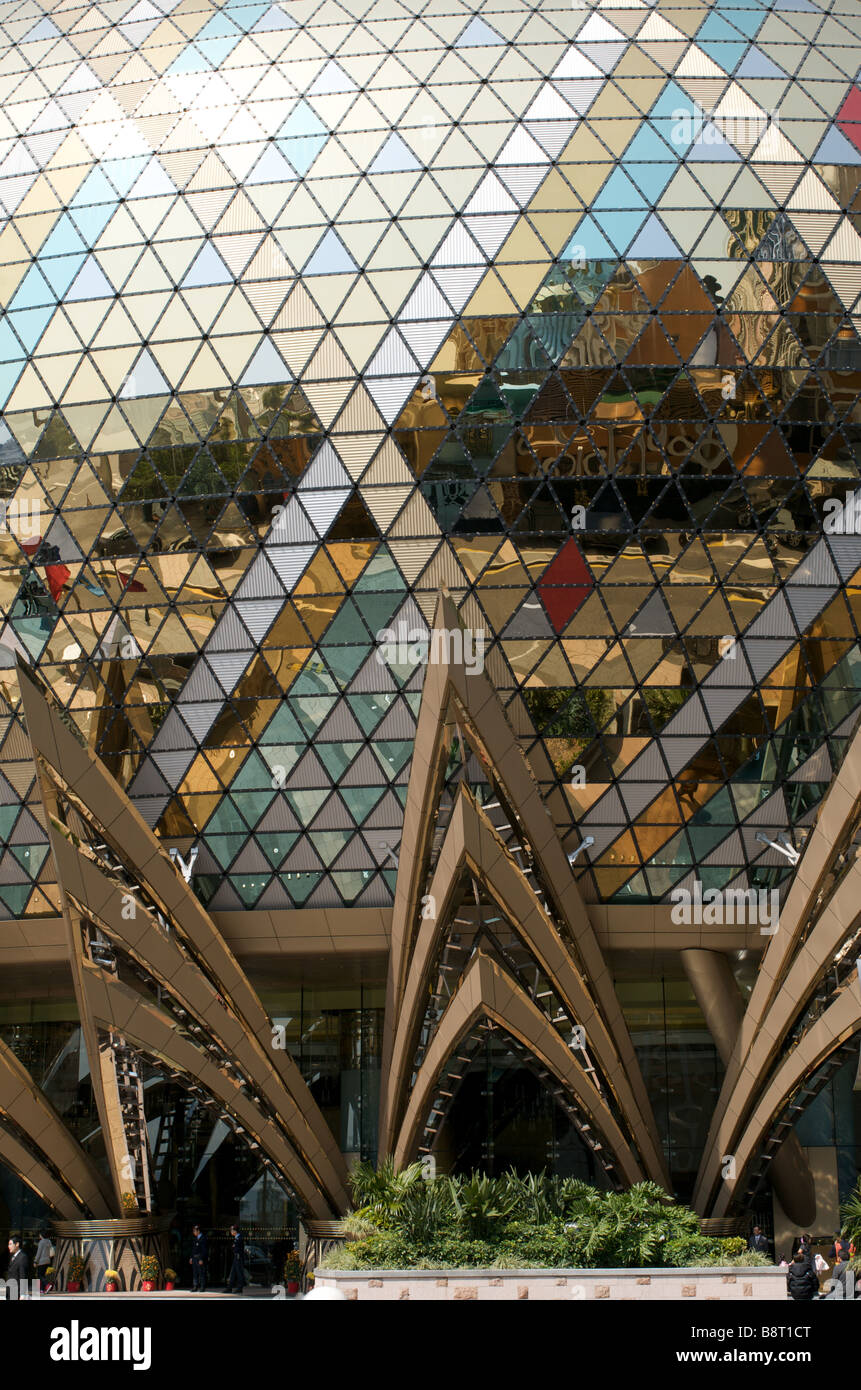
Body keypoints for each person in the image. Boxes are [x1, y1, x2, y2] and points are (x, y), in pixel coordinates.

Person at [226, 1224, 245, 1295]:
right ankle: (229, 1288)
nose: (231, 1231)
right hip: (236, 1257)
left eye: (232, 1230)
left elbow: (237, 1248)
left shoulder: (239, 1237)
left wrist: (234, 1247)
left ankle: (240, 1288)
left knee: (239, 1273)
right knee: (232, 1273)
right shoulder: (236, 1238)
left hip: (238, 1257)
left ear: (235, 1230)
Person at [190, 1224, 208, 1293]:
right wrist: (191, 1257)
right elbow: (193, 1249)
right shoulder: (195, 1238)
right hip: (194, 1258)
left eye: (195, 1231)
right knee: (195, 1273)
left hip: (200, 1257)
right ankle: (195, 1286)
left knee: (201, 1273)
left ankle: (202, 1286)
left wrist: (201, 1259)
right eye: (193, 1231)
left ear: (198, 1231)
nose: (194, 1232)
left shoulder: (203, 1238)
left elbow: (204, 1250)